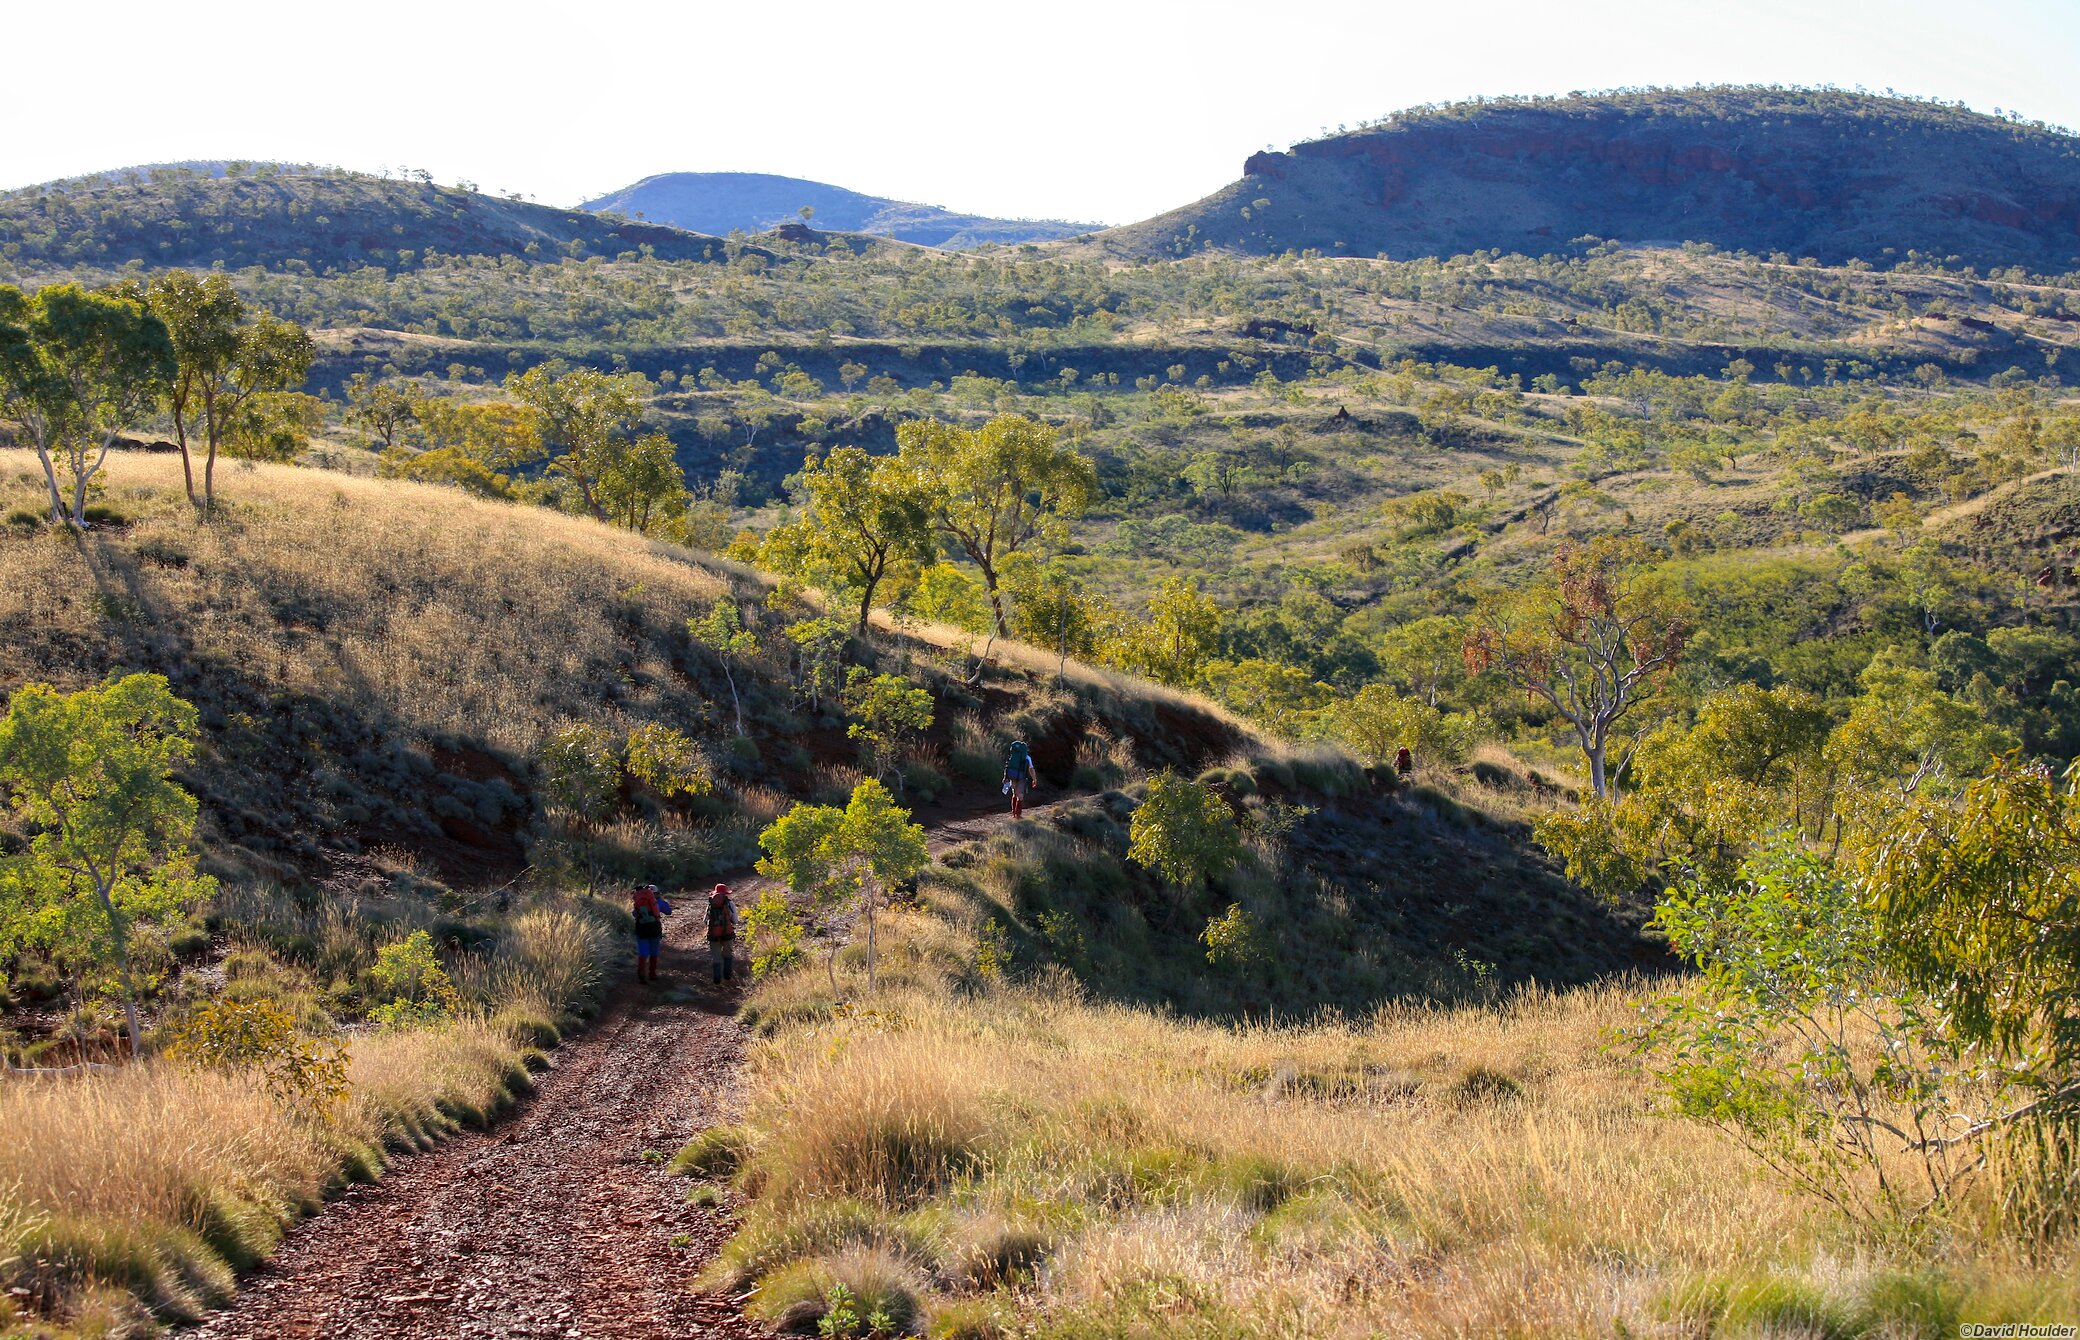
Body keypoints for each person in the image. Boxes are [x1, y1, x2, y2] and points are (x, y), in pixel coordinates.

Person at [631, 883, 673, 983]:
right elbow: (669, 911)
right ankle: (652, 974)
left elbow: (634, 914)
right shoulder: (658, 902)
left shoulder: (639, 900)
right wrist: (661, 901)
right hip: (654, 928)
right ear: (656, 893)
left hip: (641, 928)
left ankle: (641, 972)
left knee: (643, 951)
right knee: (654, 951)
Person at [706, 884, 737, 985]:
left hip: (713, 935)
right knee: (727, 955)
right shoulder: (730, 904)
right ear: (726, 893)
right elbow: (735, 921)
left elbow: (705, 920)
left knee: (716, 957)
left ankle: (717, 980)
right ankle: (727, 977)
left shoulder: (711, 904)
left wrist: (714, 926)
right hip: (727, 934)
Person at [1003, 739, 1039, 818]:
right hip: (1021, 777)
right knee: (1020, 795)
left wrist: (1006, 777)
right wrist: (1034, 779)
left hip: (1012, 775)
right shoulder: (1027, 758)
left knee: (1014, 793)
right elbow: (1031, 769)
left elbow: (1007, 766)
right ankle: (1018, 814)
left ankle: (1013, 813)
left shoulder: (1012, 757)